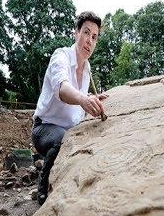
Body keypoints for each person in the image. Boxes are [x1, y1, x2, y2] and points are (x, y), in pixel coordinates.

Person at [32, 11, 107, 205]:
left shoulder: (88, 68)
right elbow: (63, 89)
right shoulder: (61, 56)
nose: (89, 41)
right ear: (76, 33)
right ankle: (43, 188)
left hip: (70, 130)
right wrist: (83, 99)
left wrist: (91, 98)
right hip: (45, 128)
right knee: (61, 140)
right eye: (86, 32)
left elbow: (79, 100)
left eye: (94, 37)